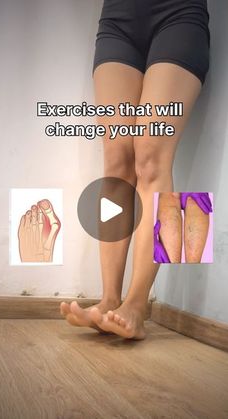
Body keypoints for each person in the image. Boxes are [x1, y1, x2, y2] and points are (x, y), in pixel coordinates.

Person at [61, 0, 210, 339]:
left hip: (180, 13)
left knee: (151, 155)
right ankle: (110, 299)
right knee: (116, 159)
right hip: (117, 17)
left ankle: (137, 304)